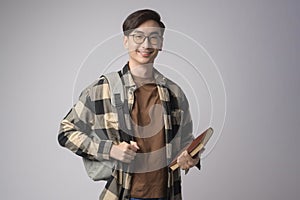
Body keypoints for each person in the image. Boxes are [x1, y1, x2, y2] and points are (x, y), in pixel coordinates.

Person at [58, 9, 201, 200]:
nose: (146, 44)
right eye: (138, 37)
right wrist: (110, 150)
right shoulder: (103, 89)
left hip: (168, 193)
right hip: (123, 194)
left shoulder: (174, 93)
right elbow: (66, 131)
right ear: (126, 41)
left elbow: (185, 141)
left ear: (161, 43)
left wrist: (189, 156)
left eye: (154, 37)